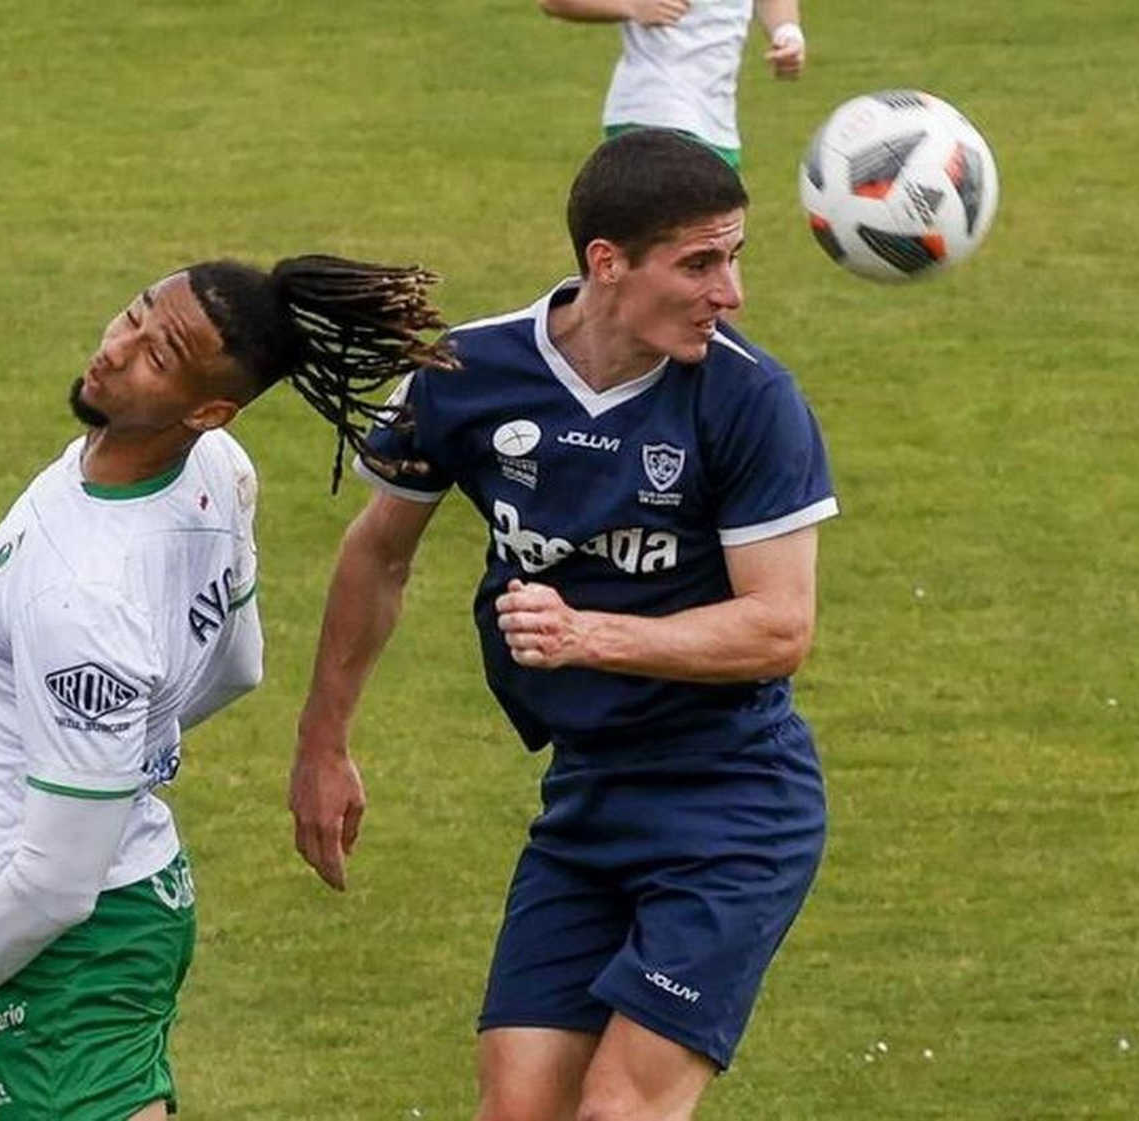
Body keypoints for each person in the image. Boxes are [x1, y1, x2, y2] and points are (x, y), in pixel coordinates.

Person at [0, 255, 449, 1121]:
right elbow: (239, 661)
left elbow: (52, 885)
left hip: (67, 946)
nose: (118, 350)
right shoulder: (218, 468)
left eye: (159, 356)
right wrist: (120, 749)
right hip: (136, 900)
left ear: (206, 408)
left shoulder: (81, 596)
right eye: (133, 315)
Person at [288, 129, 837, 1120]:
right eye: (700, 262)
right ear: (605, 262)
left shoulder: (751, 399)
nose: (731, 293)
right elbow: (377, 551)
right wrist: (322, 743)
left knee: (620, 1107)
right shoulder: (468, 373)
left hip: (733, 803)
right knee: (517, 1108)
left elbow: (777, 627)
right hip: (587, 796)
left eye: (735, 257)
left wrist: (589, 636)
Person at [538, 0, 808, 171]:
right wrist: (631, 6)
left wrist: (787, 33)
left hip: (718, 126)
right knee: (669, 251)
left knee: (716, 254)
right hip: (654, 115)